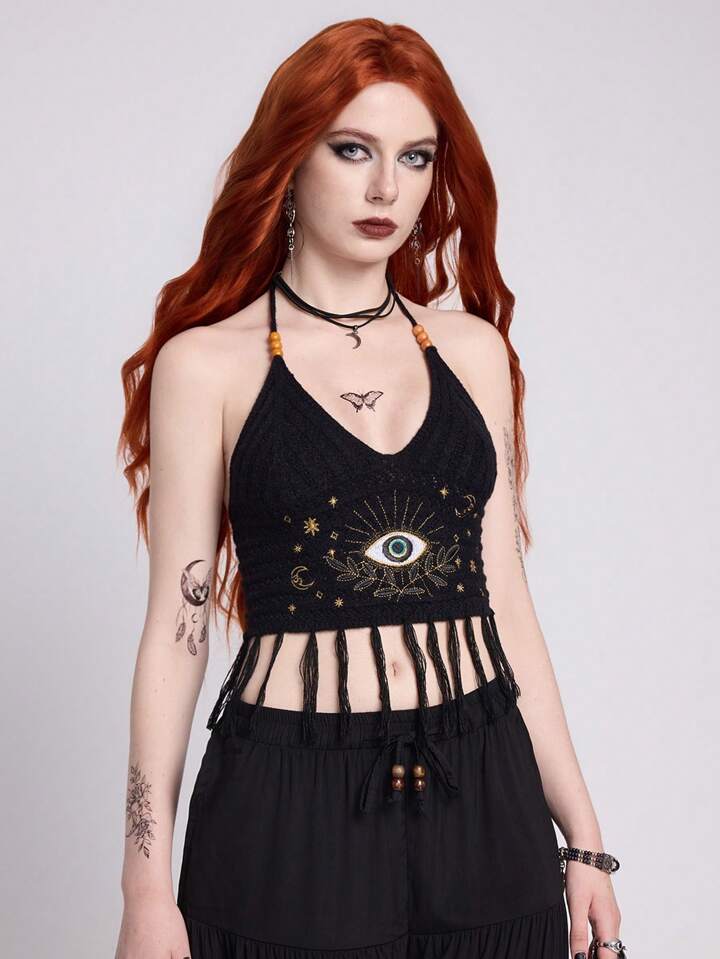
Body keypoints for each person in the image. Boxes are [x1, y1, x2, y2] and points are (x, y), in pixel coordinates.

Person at [115, 18, 626, 959]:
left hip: (487, 795)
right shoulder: (208, 365)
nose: (387, 187)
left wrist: (584, 839)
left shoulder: (472, 352)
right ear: (290, 158)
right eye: (353, 149)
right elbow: (176, 636)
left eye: (415, 157)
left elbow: (507, 603)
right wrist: (145, 890)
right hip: (287, 803)